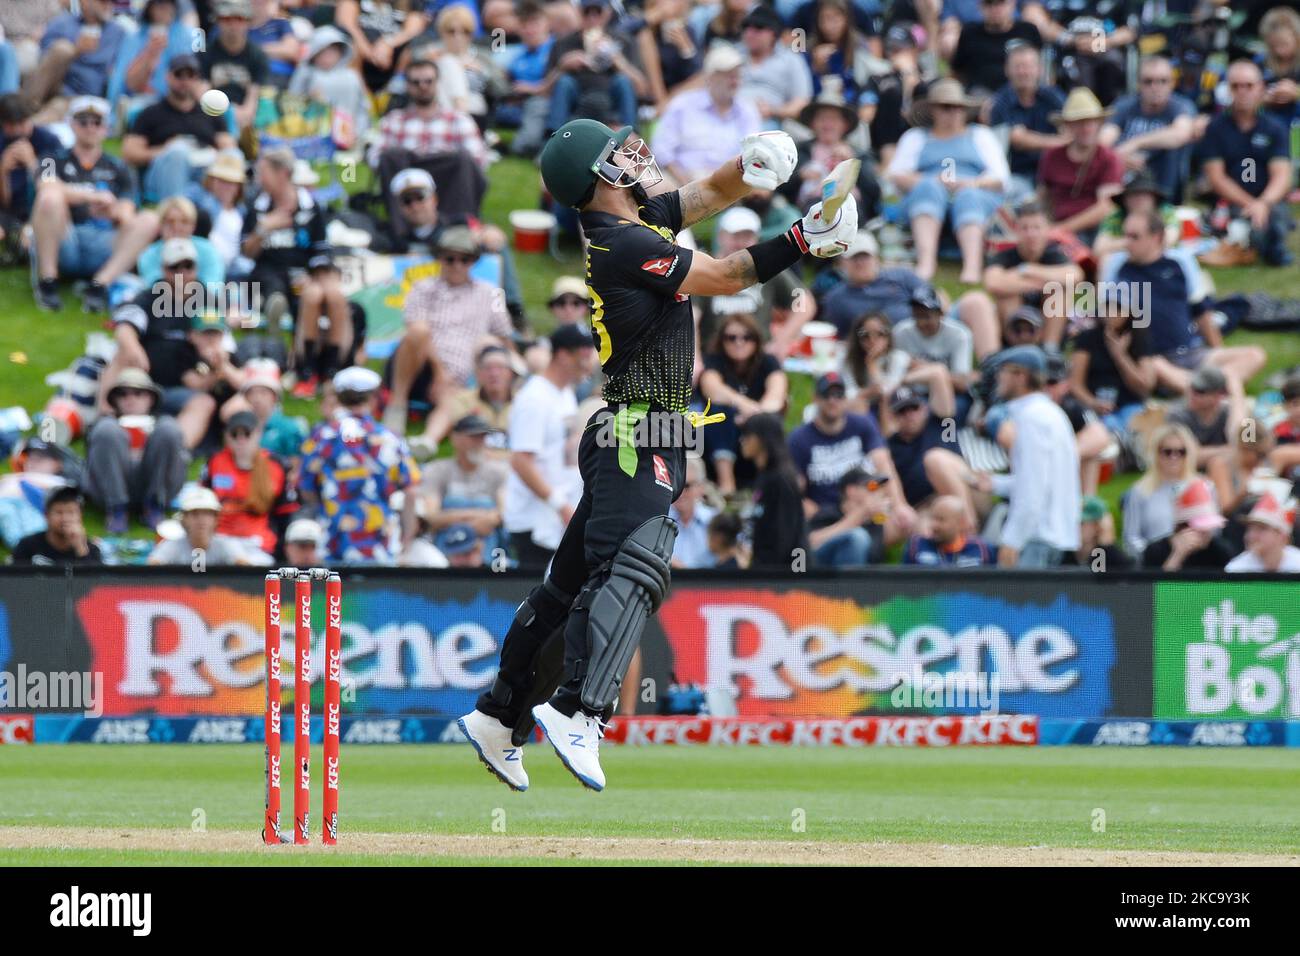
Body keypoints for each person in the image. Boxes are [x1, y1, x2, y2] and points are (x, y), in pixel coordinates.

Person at [458, 116, 856, 793]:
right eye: (619, 154)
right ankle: (578, 708)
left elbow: (701, 197)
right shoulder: (622, 243)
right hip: (640, 434)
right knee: (634, 568)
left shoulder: (636, 223)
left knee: (563, 591)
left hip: (639, 429)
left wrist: (753, 165)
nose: (635, 157)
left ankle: (498, 718)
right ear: (597, 178)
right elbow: (729, 277)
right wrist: (802, 239)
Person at [1102, 210, 1265, 393]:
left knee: (1254, 355)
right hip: (1155, 359)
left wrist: (1218, 350)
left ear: (1156, 237)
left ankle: (1210, 388)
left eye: (1134, 237)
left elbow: (1201, 312)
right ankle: (1214, 390)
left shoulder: (1177, 265)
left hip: (1191, 352)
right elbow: (1112, 323)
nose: (1126, 243)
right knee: (1159, 367)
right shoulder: (1122, 273)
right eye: (1126, 236)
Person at [101, 241, 228, 450]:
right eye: (175, 267)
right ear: (163, 270)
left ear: (196, 269)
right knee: (121, 357)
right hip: (143, 382)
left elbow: (220, 342)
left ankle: (172, 452)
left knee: (204, 403)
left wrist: (213, 359)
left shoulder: (208, 301)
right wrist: (134, 349)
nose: (182, 273)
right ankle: (103, 422)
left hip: (187, 382)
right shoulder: (149, 297)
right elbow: (124, 328)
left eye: (188, 266)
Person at [386, 226, 513, 427]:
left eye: (464, 259)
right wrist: (440, 372)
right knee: (419, 332)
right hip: (418, 365)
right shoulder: (423, 287)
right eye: (450, 259)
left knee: (456, 394)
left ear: (473, 261)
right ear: (439, 259)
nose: (457, 265)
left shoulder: (491, 293)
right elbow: (415, 332)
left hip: (459, 375)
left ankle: (428, 442)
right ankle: (397, 404)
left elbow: (504, 336)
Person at [885, 78, 1008, 282]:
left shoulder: (980, 135)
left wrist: (971, 184)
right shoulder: (915, 136)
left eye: (958, 107)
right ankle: (926, 262)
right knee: (928, 188)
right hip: (926, 195)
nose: (953, 113)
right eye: (946, 107)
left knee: (969, 197)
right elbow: (896, 175)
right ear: (932, 109)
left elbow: (1000, 177)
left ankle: (972, 266)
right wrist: (930, 180)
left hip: (975, 193)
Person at [968, 345, 1079, 566]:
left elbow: (1033, 486)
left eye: (1003, 371)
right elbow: (1044, 479)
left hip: (1035, 538)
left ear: (1020, 376)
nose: (998, 378)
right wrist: (996, 483)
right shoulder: (1049, 413)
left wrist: (1012, 540)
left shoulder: (1031, 419)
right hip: (1051, 536)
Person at [297, 367, 420, 564]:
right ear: (373, 398)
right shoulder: (391, 438)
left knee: (337, 596)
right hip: (380, 545)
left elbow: (306, 489)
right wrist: (407, 537)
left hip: (334, 543)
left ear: (338, 397)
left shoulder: (321, 437)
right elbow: (411, 490)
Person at [29, 95, 135, 313]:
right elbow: (46, 186)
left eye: (96, 122)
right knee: (50, 198)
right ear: (71, 124)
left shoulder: (119, 167)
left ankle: (100, 285)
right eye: (83, 121)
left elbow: (127, 211)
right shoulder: (51, 157)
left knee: (148, 220)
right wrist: (91, 196)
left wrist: (111, 211)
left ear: (106, 128)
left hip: (104, 240)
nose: (90, 128)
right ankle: (48, 281)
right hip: (66, 238)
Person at [504, 325, 593, 568]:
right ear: (563, 355)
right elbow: (521, 461)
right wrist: (560, 505)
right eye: (583, 357)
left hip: (556, 520)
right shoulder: (535, 399)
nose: (588, 365)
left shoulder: (565, 394)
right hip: (534, 522)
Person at [1198, 60, 1295, 267]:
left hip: (1268, 200)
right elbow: (1216, 177)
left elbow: (1282, 175)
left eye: (1248, 86)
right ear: (1228, 89)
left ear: (1260, 88)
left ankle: (1271, 246)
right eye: (1236, 86)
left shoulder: (1275, 127)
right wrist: (1250, 204)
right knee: (1236, 225)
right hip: (1230, 201)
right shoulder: (1215, 128)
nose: (1242, 92)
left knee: (1273, 219)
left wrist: (1264, 203)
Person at [789, 372, 914, 526]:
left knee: (904, 523)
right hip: (825, 516)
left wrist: (899, 505)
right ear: (815, 398)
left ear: (845, 398)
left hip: (866, 507)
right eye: (826, 395)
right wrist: (817, 514)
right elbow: (793, 490)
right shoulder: (799, 439)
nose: (832, 400)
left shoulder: (862, 424)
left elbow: (883, 464)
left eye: (838, 395)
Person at [372, 58, 489, 221]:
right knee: (392, 155)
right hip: (408, 183)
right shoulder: (394, 120)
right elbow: (376, 158)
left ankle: (457, 227)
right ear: (407, 85)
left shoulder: (459, 120)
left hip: (449, 184)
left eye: (428, 81)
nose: (423, 86)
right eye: (416, 82)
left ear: (438, 83)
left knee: (462, 158)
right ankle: (401, 230)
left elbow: (479, 161)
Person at [123, 55, 238, 205]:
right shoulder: (150, 113)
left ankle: (225, 217)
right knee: (178, 153)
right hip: (164, 172)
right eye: (179, 75)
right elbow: (129, 152)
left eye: (190, 75)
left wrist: (211, 153)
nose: (185, 81)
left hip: (203, 168)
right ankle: (176, 211)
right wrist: (165, 150)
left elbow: (228, 146)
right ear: (168, 77)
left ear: (197, 79)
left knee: (233, 155)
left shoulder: (209, 111)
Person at [85, 367, 189, 534]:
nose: (130, 399)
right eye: (123, 394)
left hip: (158, 486)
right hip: (110, 489)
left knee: (169, 429)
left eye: (138, 393)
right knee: (106, 429)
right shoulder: (106, 426)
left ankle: (155, 506)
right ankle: (116, 509)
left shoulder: (162, 426)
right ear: (115, 400)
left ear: (151, 398)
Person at [697, 205, 812, 353]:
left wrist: (781, 341)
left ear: (757, 238)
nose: (741, 243)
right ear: (720, 236)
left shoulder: (768, 268)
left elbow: (803, 302)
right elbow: (692, 316)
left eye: (747, 237)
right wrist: (696, 358)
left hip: (758, 358)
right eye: (736, 236)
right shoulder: (707, 270)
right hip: (714, 357)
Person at [698, 313, 788, 493]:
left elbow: (777, 396)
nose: (739, 342)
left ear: (756, 340)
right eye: (731, 337)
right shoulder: (714, 360)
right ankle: (727, 484)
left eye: (747, 337)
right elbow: (711, 388)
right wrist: (743, 405)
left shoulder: (768, 362)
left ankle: (769, 483)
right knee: (718, 413)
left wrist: (754, 415)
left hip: (755, 429)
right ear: (722, 340)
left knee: (769, 420)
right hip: (720, 439)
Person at [651, 44, 760, 187]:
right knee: (654, 183)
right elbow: (661, 150)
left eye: (737, 75)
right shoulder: (683, 104)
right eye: (728, 75)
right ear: (710, 76)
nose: (734, 81)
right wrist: (685, 182)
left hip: (729, 184)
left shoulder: (747, 111)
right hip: (681, 180)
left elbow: (751, 155)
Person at [981, 198, 1082, 349]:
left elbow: (1076, 275)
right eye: (1025, 228)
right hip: (1012, 321)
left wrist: (1026, 270)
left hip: (1046, 323)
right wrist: (1041, 282)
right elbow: (992, 283)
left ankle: (1050, 349)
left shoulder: (1055, 254)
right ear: (1016, 230)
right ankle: (1017, 348)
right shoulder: (1004, 255)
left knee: (1058, 291)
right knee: (1007, 294)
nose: (1031, 234)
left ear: (1047, 229)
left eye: (1036, 228)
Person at [1100, 55, 1198, 202]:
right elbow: (1103, 141)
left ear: (1172, 83)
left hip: (1163, 182)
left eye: (1163, 81)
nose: (1155, 87)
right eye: (1148, 81)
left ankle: (1166, 206)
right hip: (1126, 181)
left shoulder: (1181, 106)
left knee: (1171, 151)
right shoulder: (1124, 105)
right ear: (1139, 84)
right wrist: (1120, 157)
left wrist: (1134, 144)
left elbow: (1180, 134)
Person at [543, 0, 645, 135]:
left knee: (622, 81)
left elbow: (642, 89)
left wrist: (619, 61)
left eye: (598, 12)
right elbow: (544, 90)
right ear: (579, 12)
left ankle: (630, 136)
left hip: (610, 95)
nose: (592, 18)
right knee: (564, 82)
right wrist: (562, 67)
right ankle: (553, 136)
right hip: (577, 94)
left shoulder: (623, 40)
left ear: (607, 13)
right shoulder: (563, 43)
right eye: (587, 12)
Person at [1036, 88, 1124, 242]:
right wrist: (1042, 226)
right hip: (1056, 228)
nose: (1086, 128)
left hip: (1094, 230)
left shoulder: (1108, 158)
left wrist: (1062, 229)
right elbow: (1043, 199)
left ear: (1099, 124)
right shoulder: (1051, 156)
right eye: (1079, 122)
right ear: (1068, 125)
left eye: (1091, 121)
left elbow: (1107, 207)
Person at [985, 40, 1066, 204]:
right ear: (1007, 70)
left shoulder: (1052, 96)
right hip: (1016, 173)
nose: (1023, 72)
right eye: (1018, 66)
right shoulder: (1000, 101)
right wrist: (1060, 142)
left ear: (1039, 70)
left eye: (1028, 66)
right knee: (1021, 201)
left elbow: (1070, 126)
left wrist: (1031, 139)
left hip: (1054, 172)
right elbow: (1017, 140)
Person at [202, 410, 287, 556]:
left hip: (257, 543)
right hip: (219, 539)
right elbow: (202, 501)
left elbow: (285, 513)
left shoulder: (274, 466)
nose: (240, 440)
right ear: (227, 436)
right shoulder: (215, 461)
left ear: (258, 434)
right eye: (234, 434)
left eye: (247, 433)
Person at [419, 413, 508, 551]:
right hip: (446, 547)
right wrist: (478, 519)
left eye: (483, 437)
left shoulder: (499, 471)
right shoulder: (436, 470)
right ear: (455, 438)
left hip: (488, 548)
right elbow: (430, 516)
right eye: (473, 437)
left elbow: (505, 512)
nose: (479, 442)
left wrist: (452, 517)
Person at [884, 383, 973, 518]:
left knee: (935, 459)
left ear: (924, 408)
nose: (909, 415)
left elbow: (938, 373)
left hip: (968, 489)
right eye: (902, 411)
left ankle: (967, 526)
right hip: (927, 507)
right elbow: (877, 484)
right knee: (924, 529)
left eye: (914, 408)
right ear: (893, 416)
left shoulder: (943, 422)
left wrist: (902, 379)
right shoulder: (889, 447)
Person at [1068, 305, 1155, 439]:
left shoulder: (1139, 337)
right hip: (1098, 405)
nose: (1112, 313)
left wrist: (1120, 355)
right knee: (1109, 426)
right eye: (1108, 307)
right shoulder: (1087, 338)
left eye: (1119, 309)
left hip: (1129, 404)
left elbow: (1145, 386)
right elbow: (1075, 384)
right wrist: (1093, 402)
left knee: (1135, 426)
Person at [416, 344, 517, 457]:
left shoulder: (523, 402)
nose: (494, 374)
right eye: (488, 368)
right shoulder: (463, 400)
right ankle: (427, 442)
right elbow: (464, 441)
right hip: (477, 466)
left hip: (515, 468)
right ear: (478, 374)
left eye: (500, 367)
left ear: (510, 373)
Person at [741, 412, 810, 569]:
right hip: (766, 572)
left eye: (747, 435)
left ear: (762, 439)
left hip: (785, 576)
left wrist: (770, 574)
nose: (742, 440)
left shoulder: (781, 480)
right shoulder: (764, 478)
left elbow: (784, 535)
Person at [24, 0, 125, 106]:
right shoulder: (62, 23)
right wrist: (76, 50)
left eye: (111, 2)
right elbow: (45, 59)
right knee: (63, 49)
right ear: (85, 2)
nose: (108, 5)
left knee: (57, 107)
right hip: (60, 86)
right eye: (102, 1)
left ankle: (24, 117)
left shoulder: (117, 32)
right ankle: (27, 107)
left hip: (90, 95)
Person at [1122, 423, 1199, 557]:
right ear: (1155, 453)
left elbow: (1213, 533)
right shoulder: (1139, 492)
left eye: (1181, 451)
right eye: (1167, 452)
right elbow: (1131, 539)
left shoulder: (1203, 488)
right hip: (1154, 567)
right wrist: (1154, 555)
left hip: (1196, 563)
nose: (1174, 457)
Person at [892, 285, 975, 407]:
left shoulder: (959, 335)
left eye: (926, 317)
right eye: (916, 316)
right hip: (911, 395)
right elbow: (895, 375)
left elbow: (962, 383)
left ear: (940, 314)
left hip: (950, 394)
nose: (921, 322)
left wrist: (927, 369)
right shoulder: (900, 332)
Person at [148, 485, 273, 565]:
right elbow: (151, 570)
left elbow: (246, 572)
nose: (201, 519)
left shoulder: (226, 545)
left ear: (215, 519)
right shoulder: (172, 546)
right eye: (195, 514)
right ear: (184, 519)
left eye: (207, 514)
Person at [289, 25, 372, 136]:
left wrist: (358, 132)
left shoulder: (352, 76)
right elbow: (292, 103)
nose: (328, 56)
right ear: (315, 52)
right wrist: (310, 101)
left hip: (350, 135)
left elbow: (363, 109)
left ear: (341, 52)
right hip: (313, 135)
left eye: (333, 51)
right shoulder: (305, 72)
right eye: (323, 51)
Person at [738, 4, 812, 127]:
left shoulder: (791, 59)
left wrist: (772, 110)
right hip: (729, 118)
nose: (750, 33)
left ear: (773, 33)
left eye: (758, 28)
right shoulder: (732, 55)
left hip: (771, 122)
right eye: (746, 27)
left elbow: (801, 103)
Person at [1140, 477, 1234, 572]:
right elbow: (1154, 585)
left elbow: (1232, 585)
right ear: (1182, 527)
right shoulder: (1155, 552)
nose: (1207, 532)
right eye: (1201, 527)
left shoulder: (1221, 551)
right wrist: (1178, 555)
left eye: (1209, 526)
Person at [201, 0, 269, 132]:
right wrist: (227, 113)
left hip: (247, 119)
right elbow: (202, 92)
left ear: (248, 22)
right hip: (212, 115)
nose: (233, 25)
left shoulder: (257, 55)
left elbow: (254, 96)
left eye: (239, 19)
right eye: (227, 19)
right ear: (218, 21)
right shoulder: (206, 53)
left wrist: (241, 114)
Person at [808, 466, 892, 567]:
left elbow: (874, 559)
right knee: (857, 537)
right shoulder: (828, 513)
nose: (876, 492)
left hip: (862, 579)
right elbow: (809, 543)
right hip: (825, 576)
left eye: (878, 488)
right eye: (872, 487)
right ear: (851, 490)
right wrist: (861, 513)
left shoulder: (874, 523)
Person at [950, 0, 1039, 96]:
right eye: (989, 3)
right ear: (980, 6)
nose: (995, 8)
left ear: (1012, 3)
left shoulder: (1028, 31)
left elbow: (1043, 67)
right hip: (978, 96)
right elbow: (958, 72)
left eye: (1001, 3)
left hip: (1021, 95)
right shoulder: (969, 33)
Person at [9, 486, 103, 566]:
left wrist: (80, 548)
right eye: (59, 512)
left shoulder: (91, 550)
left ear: (80, 516)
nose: (65, 518)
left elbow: (94, 583)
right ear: (47, 515)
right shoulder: (27, 546)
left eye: (71, 512)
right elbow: (14, 582)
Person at [902, 493, 993, 566]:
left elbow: (994, 585)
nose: (934, 525)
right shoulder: (917, 545)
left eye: (941, 519)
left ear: (961, 523)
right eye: (933, 518)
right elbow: (904, 583)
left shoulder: (980, 548)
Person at [1226, 494, 1300, 573]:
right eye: (1250, 529)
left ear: (1283, 536)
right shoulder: (1236, 570)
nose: (1251, 536)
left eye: (1261, 529)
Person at [668, 457, 717, 568]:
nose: (679, 493)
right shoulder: (659, 522)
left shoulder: (716, 521)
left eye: (686, 486)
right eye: (675, 485)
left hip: (708, 584)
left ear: (701, 487)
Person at [1064, 494, 1133, 570]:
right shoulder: (1064, 554)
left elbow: (1097, 577)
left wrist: (1106, 547)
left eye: (1081, 523)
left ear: (1097, 526)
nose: (1074, 527)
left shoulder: (1113, 558)